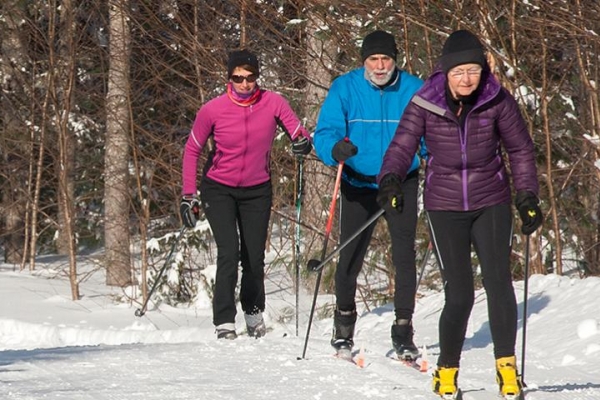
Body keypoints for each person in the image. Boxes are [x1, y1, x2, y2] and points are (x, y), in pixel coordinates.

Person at [377, 30, 543, 399]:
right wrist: (389, 178)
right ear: (445, 72)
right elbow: (403, 144)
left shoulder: (497, 99)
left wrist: (527, 194)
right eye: (459, 72)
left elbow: (520, 150)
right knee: (460, 294)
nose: (467, 79)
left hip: (492, 200)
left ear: (482, 70)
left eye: (473, 70)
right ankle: (447, 371)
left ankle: (507, 370)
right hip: (444, 204)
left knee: (499, 283)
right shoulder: (425, 102)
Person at [180, 49, 312, 340]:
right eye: (237, 77)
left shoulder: (273, 102)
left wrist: (302, 143)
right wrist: (189, 195)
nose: (244, 83)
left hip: (257, 190)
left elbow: (298, 133)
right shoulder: (212, 110)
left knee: (254, 256)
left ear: (257, 77)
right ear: (229, 78)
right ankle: (225, 321)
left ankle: (253, 312)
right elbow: (192, 150)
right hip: (218, 188)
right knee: (229, 251)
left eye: (250, 77)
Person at [313, 30, 424, 360]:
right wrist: (335, 148)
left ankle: (403, 332)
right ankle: (344, 326)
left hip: (401, 181)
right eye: (374, 59)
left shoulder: (414, 89)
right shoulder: (345, 87)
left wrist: (435, 156)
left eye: (386, 59)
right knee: (350, 255)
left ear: (395, 60)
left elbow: (431, 132)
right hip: (358, 182)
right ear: (364, 61)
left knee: (404, 255)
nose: (380, 66)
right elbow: (326, 130)